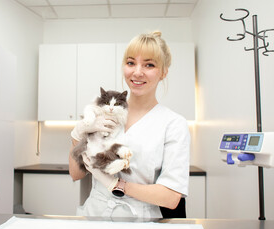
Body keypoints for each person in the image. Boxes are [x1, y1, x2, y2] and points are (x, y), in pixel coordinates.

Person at [68, 31, 191, 218]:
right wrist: (77, 135)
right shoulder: (104, 112)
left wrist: (115, 185)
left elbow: (171, 197)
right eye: (131, 63)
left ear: (164, 72)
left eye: (149, 65)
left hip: (141, 221)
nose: (137, 72)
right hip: (95, 216)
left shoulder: (173, 124)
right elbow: (76, 174)